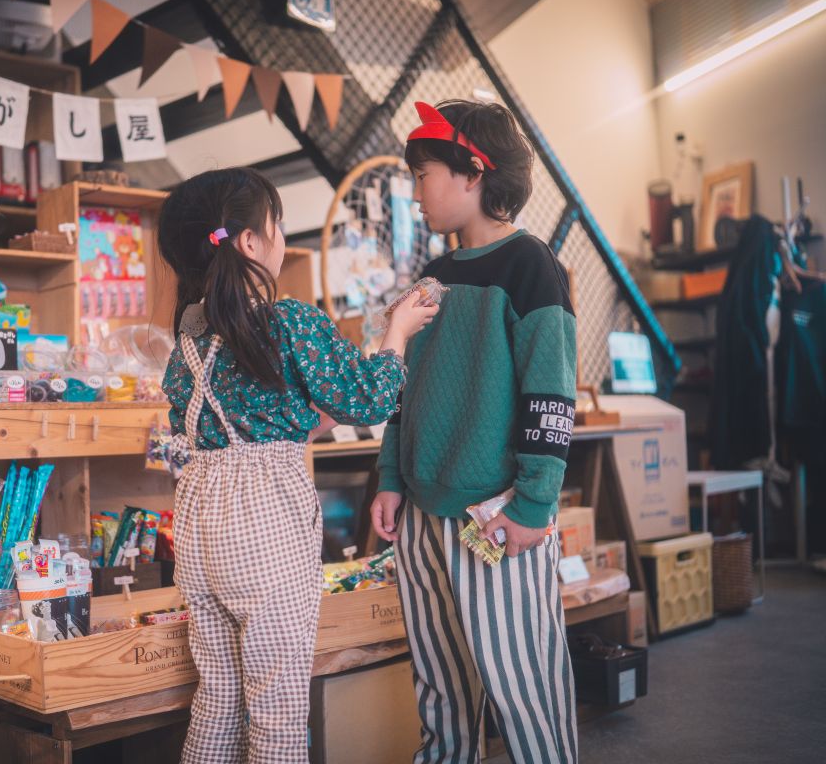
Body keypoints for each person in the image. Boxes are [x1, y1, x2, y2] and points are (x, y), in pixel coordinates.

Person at [159, 167, 437, 764]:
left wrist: (310, 422)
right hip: (264, 529)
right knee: (278, 712)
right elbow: (371, 398)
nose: (282, 236)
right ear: (249, 242)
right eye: (277, 224)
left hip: (200, 530)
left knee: (218, 701)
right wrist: (397, 332)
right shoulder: (287, 322)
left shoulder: (187, 344)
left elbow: (244, 427)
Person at [371, 100, 578, 763]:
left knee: (523, 687)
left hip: (496, 517)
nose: (416, 192)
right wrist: (390, 477)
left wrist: (534, 504)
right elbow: (403, 388)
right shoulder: (432, 279)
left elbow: (552, 397)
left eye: (423, 174)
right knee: (441, 692)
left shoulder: (532, 266)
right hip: (420, 520)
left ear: (473, 172)